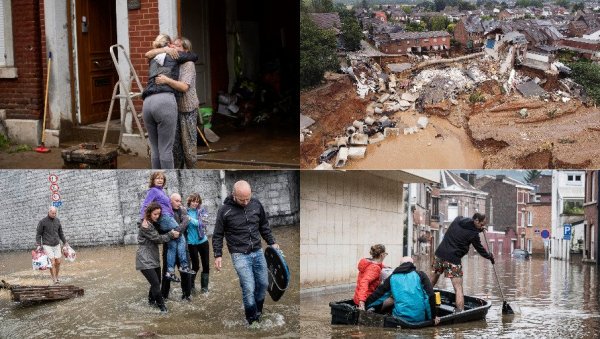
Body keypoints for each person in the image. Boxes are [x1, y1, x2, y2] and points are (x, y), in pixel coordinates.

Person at [212, 180, 280, 327]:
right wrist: (218, 255)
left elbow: (264, 226)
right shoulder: (224, 210)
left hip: (257, 250)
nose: (245, 202)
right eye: (242, 199)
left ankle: (258, 312)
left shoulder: (256, 204)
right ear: (233, 195)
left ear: (251, 194)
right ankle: (252, 321)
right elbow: (218, 234)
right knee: (249, 287)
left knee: (263, 284)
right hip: (239, 254)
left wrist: (271, 242)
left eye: (248, 198)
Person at [141, 34, 197, 169]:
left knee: (160, 149)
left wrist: (167, 80)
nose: (173, 47)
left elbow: (184, 86)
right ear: (167, 45)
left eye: (177, 46)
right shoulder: (171, 55)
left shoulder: (156, 58)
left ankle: (185, 171)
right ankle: (170, 178)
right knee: (168, 149)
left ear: (185, 49)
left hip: (180, 107)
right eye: (172, 44)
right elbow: (195, 56)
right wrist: (166, 50)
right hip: (167, 104)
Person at [431, 213, 494, 312]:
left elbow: (466, 228)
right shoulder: (474, 235)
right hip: (453, 260)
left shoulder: (457, 220)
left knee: (432, 281)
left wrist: (478, 229)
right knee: (458, 288)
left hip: (440, 254)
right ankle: (460, 312)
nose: (483, 227)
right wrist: (489, 256)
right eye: (482, 224)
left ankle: (420, 302)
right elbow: (480, 249)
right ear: (476, 220)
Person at [139, 172, 193, 282]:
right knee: (181, 237)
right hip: (165, 218)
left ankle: (170, 271)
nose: (160, 180)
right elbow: (145, 205)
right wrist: (144, 219)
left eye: (162, 179)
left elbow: (168, 204)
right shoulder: (153, 191)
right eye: (157, 178)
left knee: (172, 243)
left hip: (167, 217)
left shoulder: (162, 191)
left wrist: (179, 206)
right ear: (153, 180)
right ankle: (184, 265)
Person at [366, 257, 440, 325]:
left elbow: (378, 295)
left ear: (400, 265)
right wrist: (433, 317)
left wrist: (364, 305)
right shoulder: (421, 275)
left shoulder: (392, 277)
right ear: (412, 264)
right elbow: (430, 296)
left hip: (400, 319)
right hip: (419, 319)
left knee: (390, 303)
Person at [136, 202, 180, 313]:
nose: (157, 216)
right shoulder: (145, 225)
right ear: (149, 213)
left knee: (156, 283)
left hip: (153, 257)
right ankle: (163, 309)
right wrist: (171, 234)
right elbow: (157, 239)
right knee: (155, 283)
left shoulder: (152, 223)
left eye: (159, 214)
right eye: (155, 214)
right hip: (144, 259)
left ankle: (151, 303)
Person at [160, 193, 192, 301]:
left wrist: (177, 231)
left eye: (180, 201)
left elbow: (186, 222)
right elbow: (161, 229)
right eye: (177, 201)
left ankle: (186, 296)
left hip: (183, 248)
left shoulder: (182, 210)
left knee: (186, 273)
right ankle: (164, 297)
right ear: (170, 201)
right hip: (169, 248)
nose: (179, 203)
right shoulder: (164, 212)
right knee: (167, 274)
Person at [35, 206, 69, 284]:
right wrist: (38, 245)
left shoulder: (57, 221)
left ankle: (56, 276)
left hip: (56, 244)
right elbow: (38, 234)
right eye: (52, 213)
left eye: (55, 213)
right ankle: (54, 279)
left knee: (58, 262)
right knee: (52, 262)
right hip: (47, 245)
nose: (54, 214)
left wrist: (65, 242)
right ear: (49, 212)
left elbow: (61, 233)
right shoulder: (42, 221)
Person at [186, 193, 211, 293]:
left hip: (203, 241)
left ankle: (204, 288)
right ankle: (191, 285)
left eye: (197, 201)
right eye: (193, 201)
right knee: (195, 265)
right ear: (189, 201)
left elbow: (202, 223)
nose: (195, 203)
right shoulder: (185, 211)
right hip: (191, 243)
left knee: (206, 265)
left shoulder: (202, 211)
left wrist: (189, 219)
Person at [353, 244, 388, 310]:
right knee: (390, 297)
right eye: (385, 254)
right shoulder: (375, 268)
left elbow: (373, 266)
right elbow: (364, 282)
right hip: (366, 299)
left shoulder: (367, 262)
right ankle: (374, 309)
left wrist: (383, 266)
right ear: (382, 255)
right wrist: (362, 301)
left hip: (357, 297)